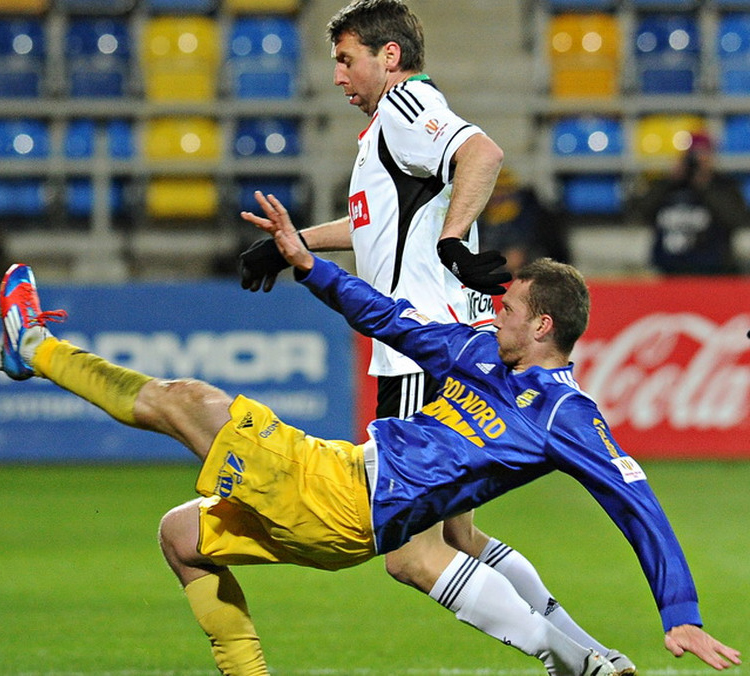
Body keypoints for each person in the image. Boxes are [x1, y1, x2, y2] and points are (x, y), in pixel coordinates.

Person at [0, 212, 741, 675]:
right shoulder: (480, 354)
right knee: (183, 537)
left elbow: (636, 503)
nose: (496, 309)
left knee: (183, 402)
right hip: (344, 487)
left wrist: (679, 610)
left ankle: (35, 347)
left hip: (348, 499)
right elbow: (392, 321)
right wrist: (311, 266)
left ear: (542, 325)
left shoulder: (565, 415)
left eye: (508, 306)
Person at [237, 1, 618, 669]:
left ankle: (569, 658)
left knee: (411, 555)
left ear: (388, 57)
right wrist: (296, 246)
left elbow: (482, 153)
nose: (336, 77)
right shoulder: (391, 131)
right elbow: (376, 228)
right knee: (461, 536)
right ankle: (589, 652)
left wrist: (451, 243)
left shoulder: (407, 106)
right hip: (450, 344)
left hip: (419, 351)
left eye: (345, 60)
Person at [634, 133, 747, 275]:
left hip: (713, 272)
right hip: (669, 271)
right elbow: (639, 213)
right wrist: (670, 181)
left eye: (702, 154)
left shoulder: (723, 185)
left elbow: (736, 218)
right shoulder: (668, 186)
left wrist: (705, 186)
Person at [480, 168, 571, 273]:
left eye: (503, 191)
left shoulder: (539, 218)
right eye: (493, 192)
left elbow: (556, 255)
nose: (497, 197)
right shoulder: (479, 217)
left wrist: (526, 253)